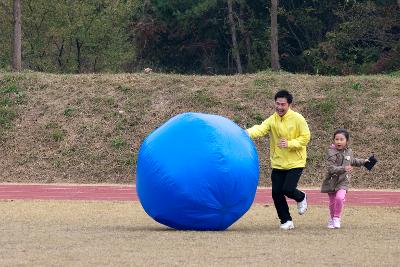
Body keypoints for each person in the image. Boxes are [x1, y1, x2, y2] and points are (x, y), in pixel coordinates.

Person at [246, 90, 311, 230]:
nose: (280, 107)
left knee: (287, 189)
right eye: (277, 104)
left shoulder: (298, 119)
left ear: (289, 105)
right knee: (276, 193)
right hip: (278, 163)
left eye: (283, 104)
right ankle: (286, 221)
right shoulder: (272, 119)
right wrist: (246, 133)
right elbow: (260, 129)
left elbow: (305, 137)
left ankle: (301, 197)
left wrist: (289, 143)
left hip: (295, 162)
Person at [321, 128, 369, 229]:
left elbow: (353, 161)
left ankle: (337, 218)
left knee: (340, 198)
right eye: (337, 139)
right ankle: (332, 218)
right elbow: (331, 168)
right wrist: (344, 168)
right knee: (332, 202)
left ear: (347, 141)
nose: (339, 141)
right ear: (334, 140)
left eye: (341, 139)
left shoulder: (349, 151)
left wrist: (364, 161)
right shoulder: (331, 152)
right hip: (331, 181)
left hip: (343, 181)